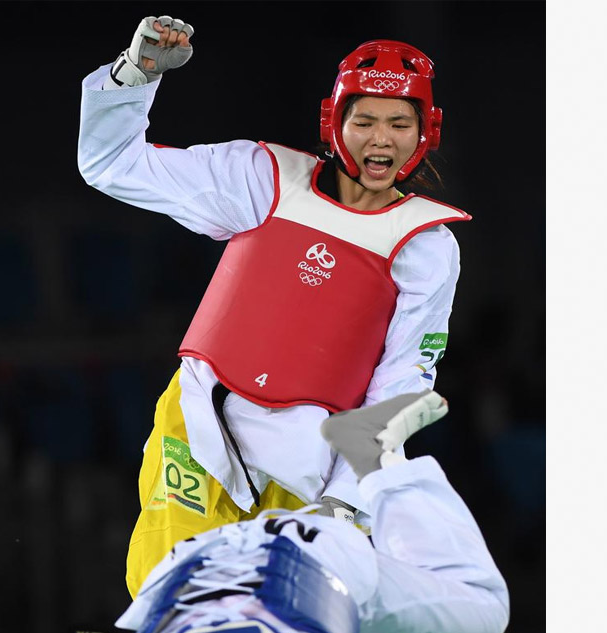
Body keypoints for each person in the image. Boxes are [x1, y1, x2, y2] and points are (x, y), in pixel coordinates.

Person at [77, 15, 471, 597]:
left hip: (310, 461)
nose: (380, 139)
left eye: (398, 123)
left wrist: (348, 497)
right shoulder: (262, 178)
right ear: (333, 122)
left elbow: (403, 383)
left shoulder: (426, 247)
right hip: (203, 425)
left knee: (277, 612)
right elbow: (111, 165)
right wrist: (136, 75)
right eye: (364, 121)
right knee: (176, 590)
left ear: (425, 132)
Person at [113, 390, 510, 633]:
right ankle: (364, 465)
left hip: (270, 569)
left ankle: (371, 459)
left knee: (484, 608)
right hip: (265, 571)